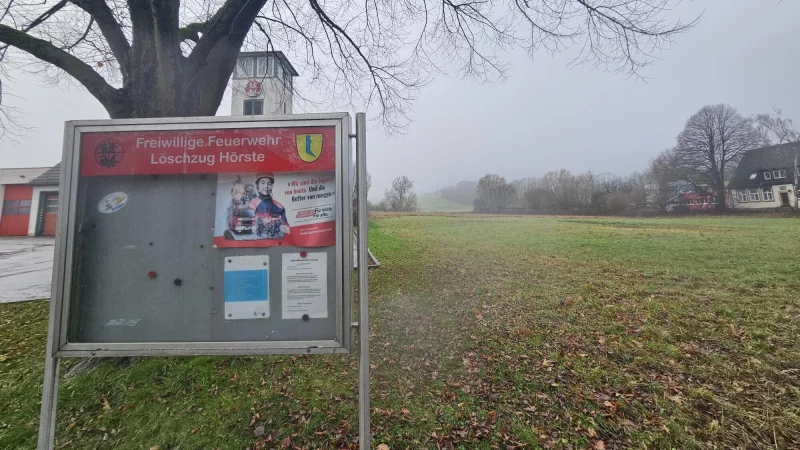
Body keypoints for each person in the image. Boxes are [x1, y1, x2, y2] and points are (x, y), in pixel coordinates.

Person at [248, 173, 290, 238]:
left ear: (272, 186)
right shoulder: (253, 203)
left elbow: (285, 225)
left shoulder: (279, 206)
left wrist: (284, 227)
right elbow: (250, 220)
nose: (266, 186)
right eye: (263, 183)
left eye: (269, 184)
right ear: (257, 185)